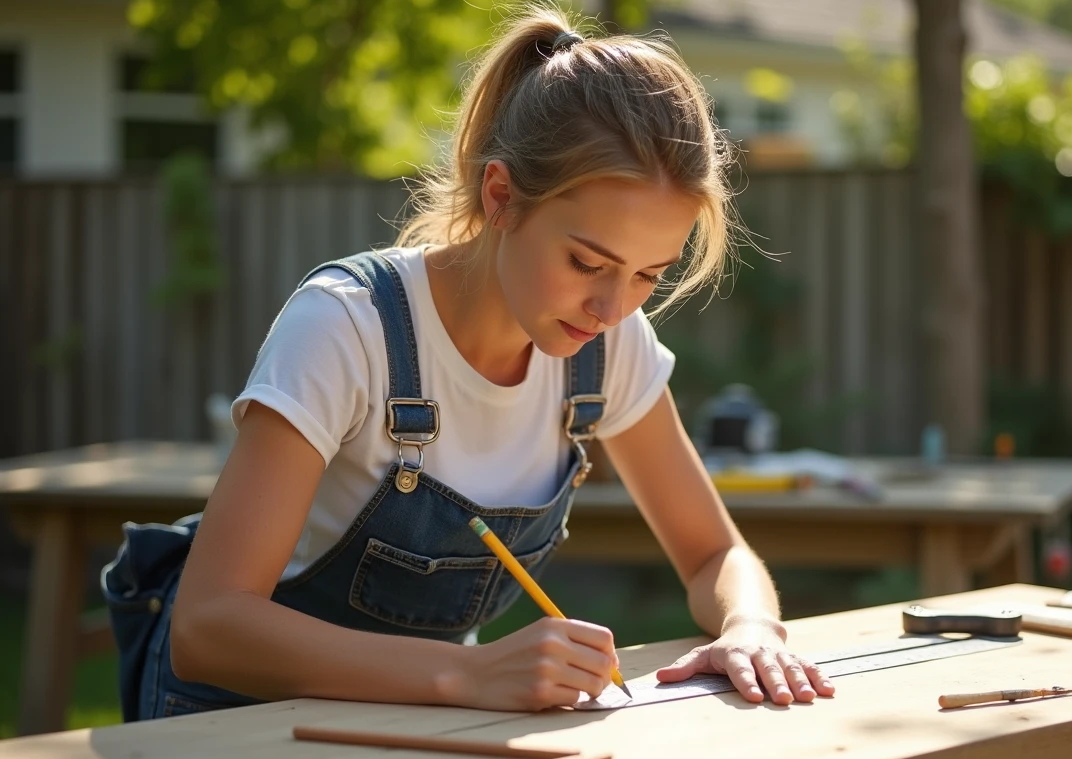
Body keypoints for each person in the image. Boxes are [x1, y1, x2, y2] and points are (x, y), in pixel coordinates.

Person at [101, 5, 835, 721]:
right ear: (501, 197)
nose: (613, 309)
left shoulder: (606, 347)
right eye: (587, 261)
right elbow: (209, 627)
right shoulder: (349, 327)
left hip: (419, 727)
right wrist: (468, 670)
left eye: (649, 274)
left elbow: (714, 555)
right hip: (234, 729)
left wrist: (750, 627)